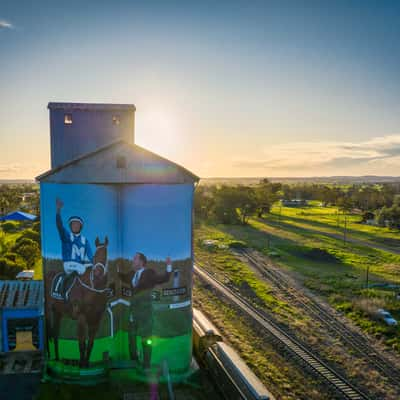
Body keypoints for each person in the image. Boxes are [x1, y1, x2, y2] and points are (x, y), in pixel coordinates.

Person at [119, 252, 172, 369]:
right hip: (133, 311)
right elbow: (122, 277)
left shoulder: (149, 273)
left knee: (146, 338)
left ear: (141, 262)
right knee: (131, 337)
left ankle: (146, 365)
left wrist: (168, 267)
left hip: (145, 312)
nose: (132, 261)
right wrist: (114, 268)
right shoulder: (132, 274)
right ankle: (134, 360)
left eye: (135, 259)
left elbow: (163, 278)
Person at [56, 198, 93, 300]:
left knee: (88, 273)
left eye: (77, 224)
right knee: (80, 269)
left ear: (80, 226)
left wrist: (95, 265)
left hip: (81, 266)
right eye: (73, 224)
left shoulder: (85, 241)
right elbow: (59, 226)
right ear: (70, 226)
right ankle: (65, 292)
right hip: (69, 264)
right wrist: (58, 211)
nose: (75, 226)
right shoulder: (66, 236)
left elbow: (90, 256)